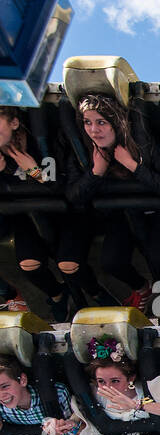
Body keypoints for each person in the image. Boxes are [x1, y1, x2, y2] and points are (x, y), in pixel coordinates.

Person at [66, 93, 160, 314]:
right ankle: (142, 288)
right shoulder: (84, 150)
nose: (94, 130)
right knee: (111, 262)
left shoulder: (142, 143)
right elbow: (73, 197)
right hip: (118, 218)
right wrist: (95, 172)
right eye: (88, 123)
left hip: (152, 212)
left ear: (116, 123)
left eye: (101, 122)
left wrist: (132, 165)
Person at [0, 106, 85, 320]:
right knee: (29, 265)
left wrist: (35, 171)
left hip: (61, 214)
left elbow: (66, 185)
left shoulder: (42, 142)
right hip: (25, 215)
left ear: (14, 123)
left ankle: (93, 294)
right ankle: (57, 295)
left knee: (69, 263)